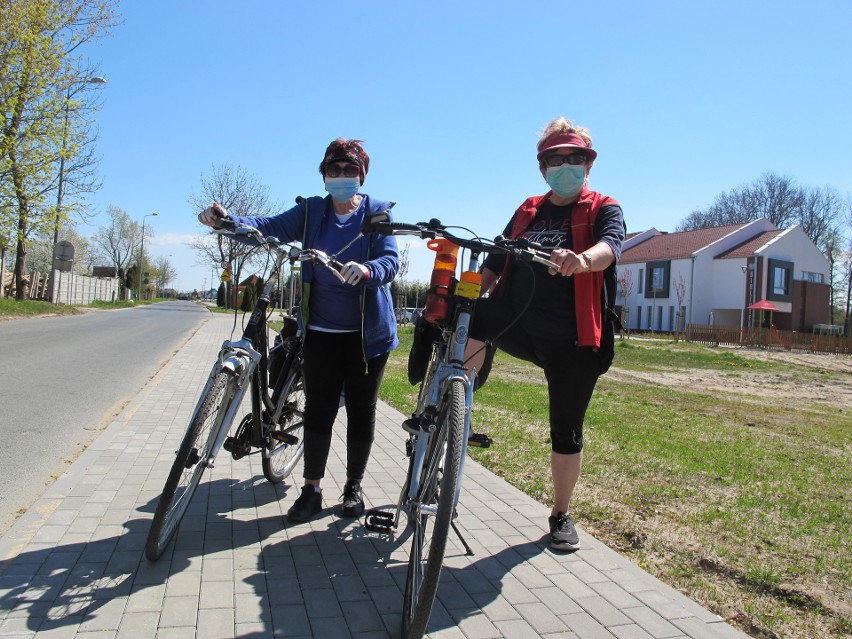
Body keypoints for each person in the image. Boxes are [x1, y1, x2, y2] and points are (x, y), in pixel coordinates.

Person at [199, 138, 399, 523]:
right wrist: (227, 221)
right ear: (324, 174)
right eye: (334, 170)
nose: (341, 177)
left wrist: (370, 270)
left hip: (366, 337)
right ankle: (312, 490)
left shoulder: (376, 213)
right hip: (321, 330)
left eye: (349, 171)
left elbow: (390, 259)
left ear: (361, 175)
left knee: (361, 411)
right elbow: (267, 227)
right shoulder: (310, 213)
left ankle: (353, 488)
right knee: (320, 411)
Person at [466, 117, 625, 551]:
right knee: (472, 319)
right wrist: (467, 293)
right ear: (543, 168)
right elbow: (497, 260)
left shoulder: (603, 206)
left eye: (575, 158)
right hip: (517, 321)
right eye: (556, 159)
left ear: (589, 163)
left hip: (575, 336)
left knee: (566, 429)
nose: (566, 166)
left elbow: (612, 245)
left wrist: (583, 259)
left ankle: (560, 514)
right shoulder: (528, 209)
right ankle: (455, 411)